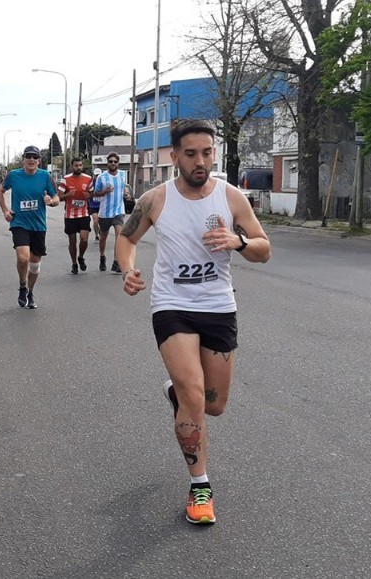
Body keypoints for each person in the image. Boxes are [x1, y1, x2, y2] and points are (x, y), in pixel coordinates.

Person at [116, 119, 271, 525]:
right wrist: (128, 269)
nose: (200, 161)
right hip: (172, 305)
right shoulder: (155, 199)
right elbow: (127, 238)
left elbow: (263, 249)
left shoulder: (231, 197)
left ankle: (179, 396)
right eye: (190, 154)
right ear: (174, 157)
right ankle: (200, 485)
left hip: (218, 305)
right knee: (193, 394)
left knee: (214, 406)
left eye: (207, 152)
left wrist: (238, 242)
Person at [0, 145, 59, 309]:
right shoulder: (14, 175)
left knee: (35, 264)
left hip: (38, 225)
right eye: (28, 156)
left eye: (35, 157)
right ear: (23, 159)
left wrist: (51, 202)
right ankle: (22, 285)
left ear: (39, 160)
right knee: (23, 257)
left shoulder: (45, 176)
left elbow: (56, 197)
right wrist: (5, 211)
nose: (31, 160)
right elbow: (0, 191)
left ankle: (30, 292)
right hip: (19, 223)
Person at [93, 152, 128, 273]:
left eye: (115, 162)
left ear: (118, 163)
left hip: (119, 210)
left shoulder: (123, 174)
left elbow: (123, 189)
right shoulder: (102, 177)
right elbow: (96, 193)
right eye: (111, 161)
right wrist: (105, 191)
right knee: (103, 237)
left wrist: (126, 194)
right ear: (107, 163)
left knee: (120, 235)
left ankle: (116, 262)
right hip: (105, 212)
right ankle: (102, 257)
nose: (113, 163)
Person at [57, 157, 93, 274]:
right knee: (72, 242)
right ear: (72, 166)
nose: (79, 167)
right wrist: (68, 194)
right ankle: (74, 263)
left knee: (84, 239)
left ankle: (81, 257)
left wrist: (89, 195)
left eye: (80, 165)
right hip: (70, 215)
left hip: (84, 214)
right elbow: (59, 197)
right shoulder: (66, 179)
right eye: (76, 165)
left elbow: (92, 193)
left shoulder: (88, 179)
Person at [88, 168, 102, 241]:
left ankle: (101, 232)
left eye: (99, 175)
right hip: (93, 205)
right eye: (96, 175)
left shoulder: (103, 182)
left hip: (102, 205)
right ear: (94, 175)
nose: (97, 177)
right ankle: (97, 234)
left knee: (102, 222)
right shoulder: (90, 183)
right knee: (95, 220)